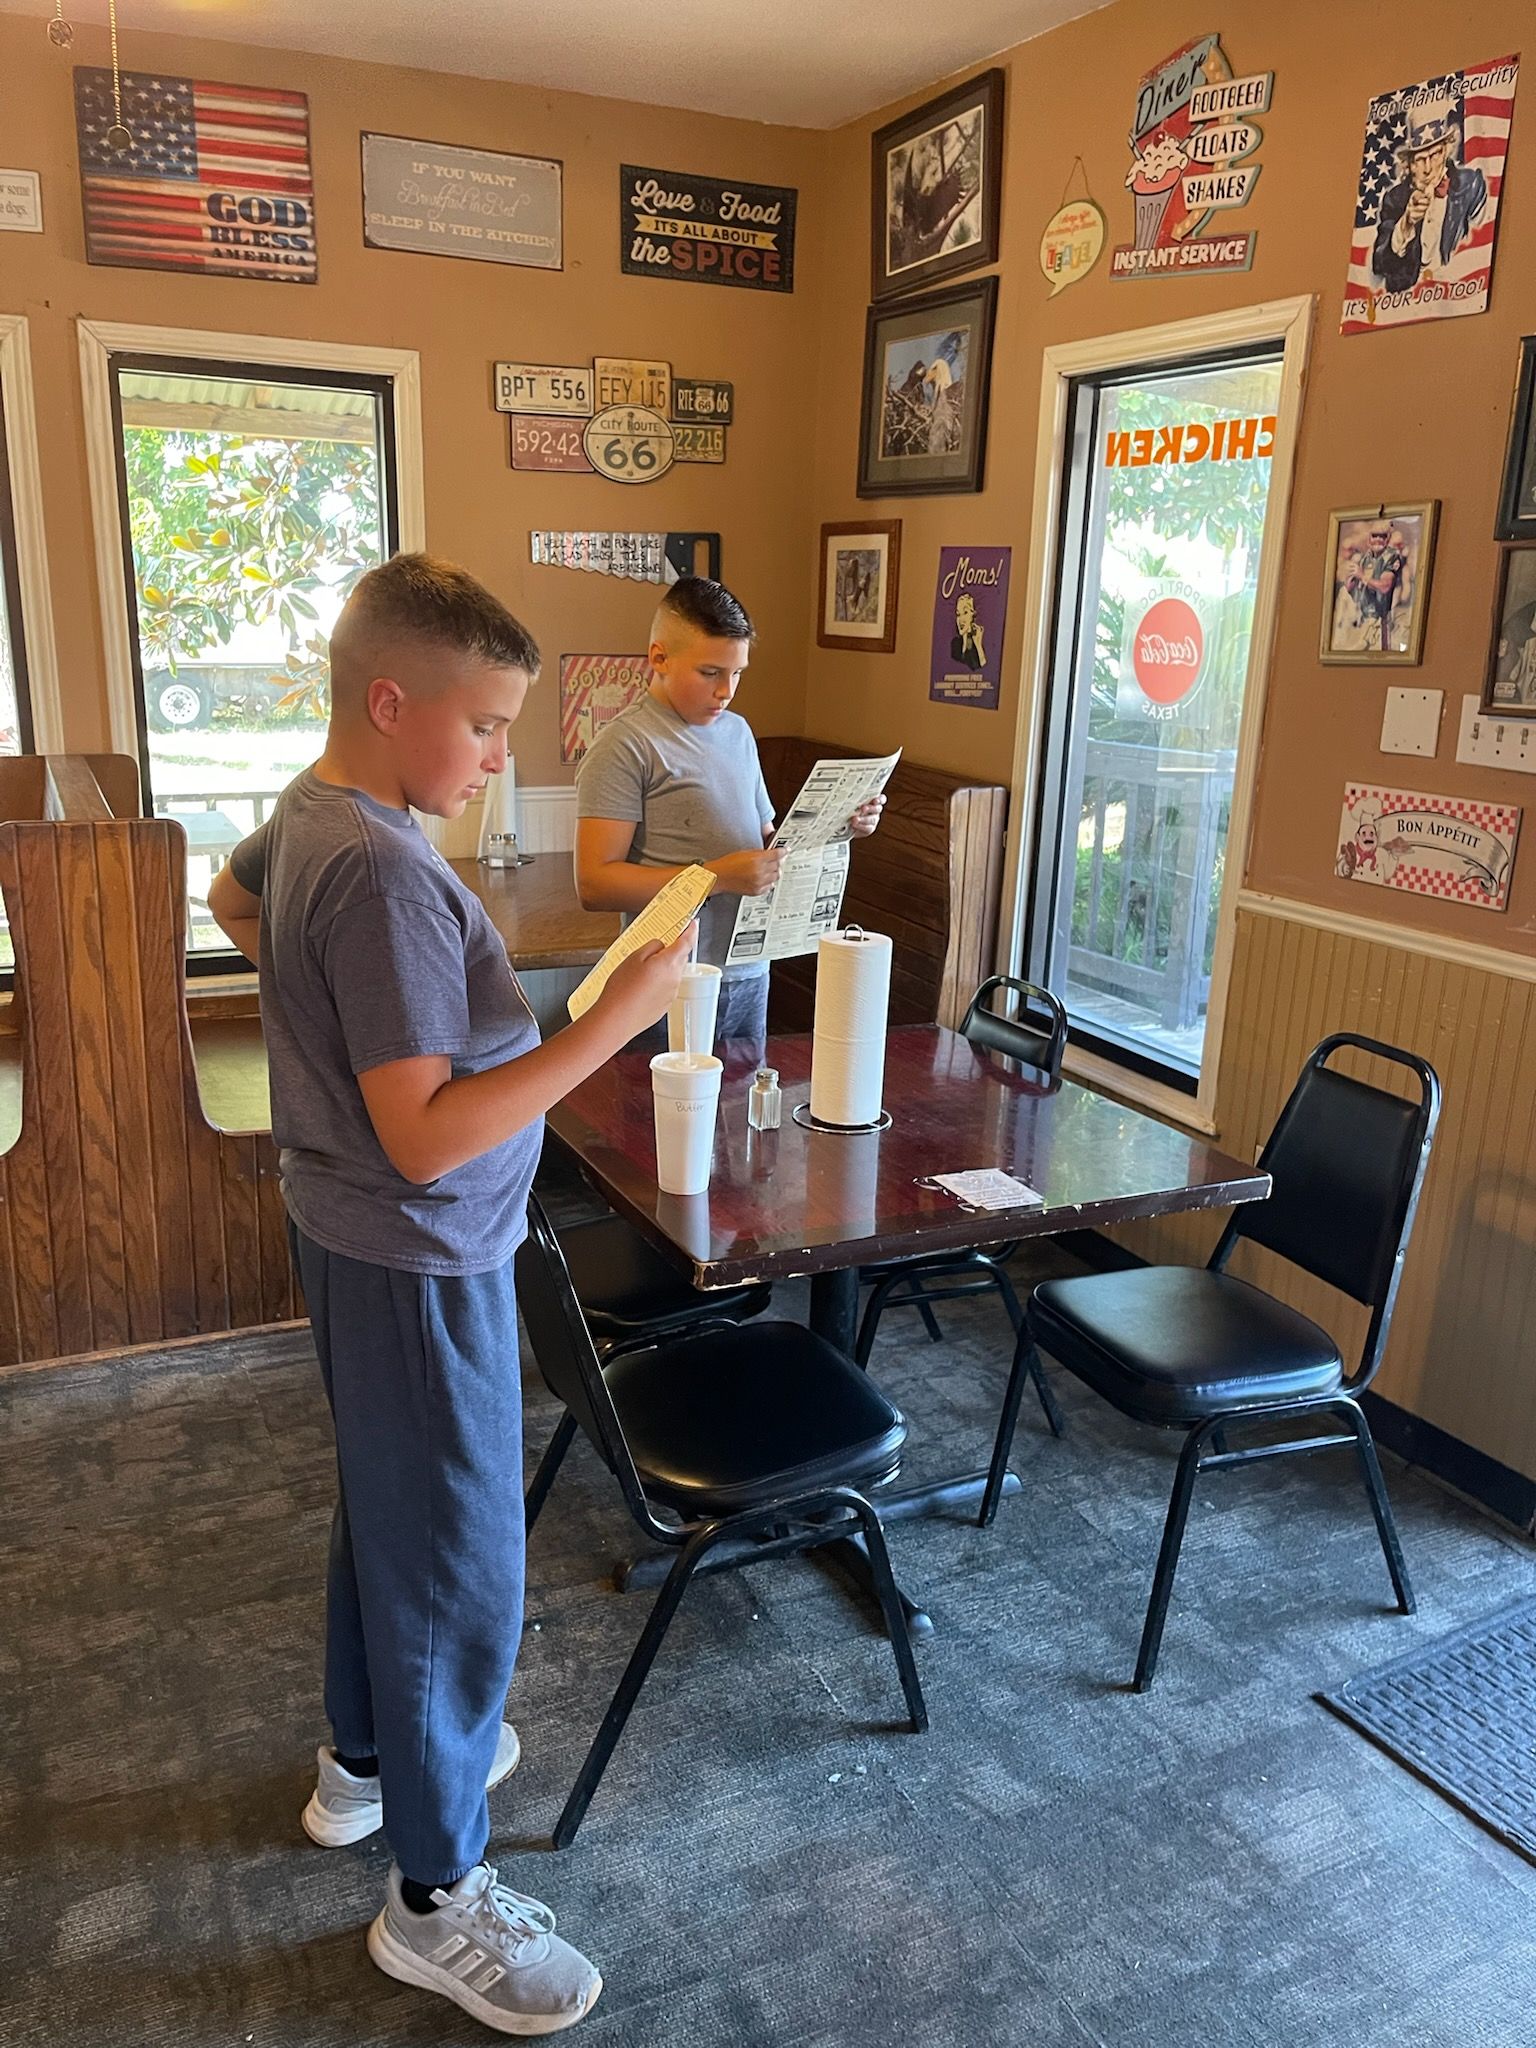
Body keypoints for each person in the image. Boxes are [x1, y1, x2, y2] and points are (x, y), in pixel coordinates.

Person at [207, 553, 690, 2036]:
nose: (500, 761)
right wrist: (609, 1022)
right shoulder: (386, 873)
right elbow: (423, 1132)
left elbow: (235, 909)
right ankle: (437, 1903)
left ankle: (364, 1766)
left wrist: (334, 1024)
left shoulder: (307, 816)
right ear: (390, 698)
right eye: (483, 729)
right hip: (419, 1254)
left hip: (355, 1237)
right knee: (458, 1567)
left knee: (395, 1511)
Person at [574, 576, 885, 1054]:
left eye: (737, 673)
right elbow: (594, 885)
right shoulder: (624, 745)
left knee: (742, 1122)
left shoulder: (738, 733)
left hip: (749, 974)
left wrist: (839, 827)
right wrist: (714, 877)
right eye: (710, 672)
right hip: (665, 979)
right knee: (659, 1123)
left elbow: (767, 844)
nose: (727, 691)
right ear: (658, 658)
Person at [1372, 103, 1488, 295]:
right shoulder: (1395, 198)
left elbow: (1479, 249)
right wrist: (1406, 223)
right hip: (1410, 300)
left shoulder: (1470, 185)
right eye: (1420, 159)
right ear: (1410, 164)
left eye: (1434, 156)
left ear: (1445, 153)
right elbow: (1380, 264)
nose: (1427, 168)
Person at [950, 590, 986, 670]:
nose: (961, 619)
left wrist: (978, 645)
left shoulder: (977, 644)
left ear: (973, 615)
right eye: (958, 614)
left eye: (965, 613)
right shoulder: (954, 643)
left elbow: (985, 669)